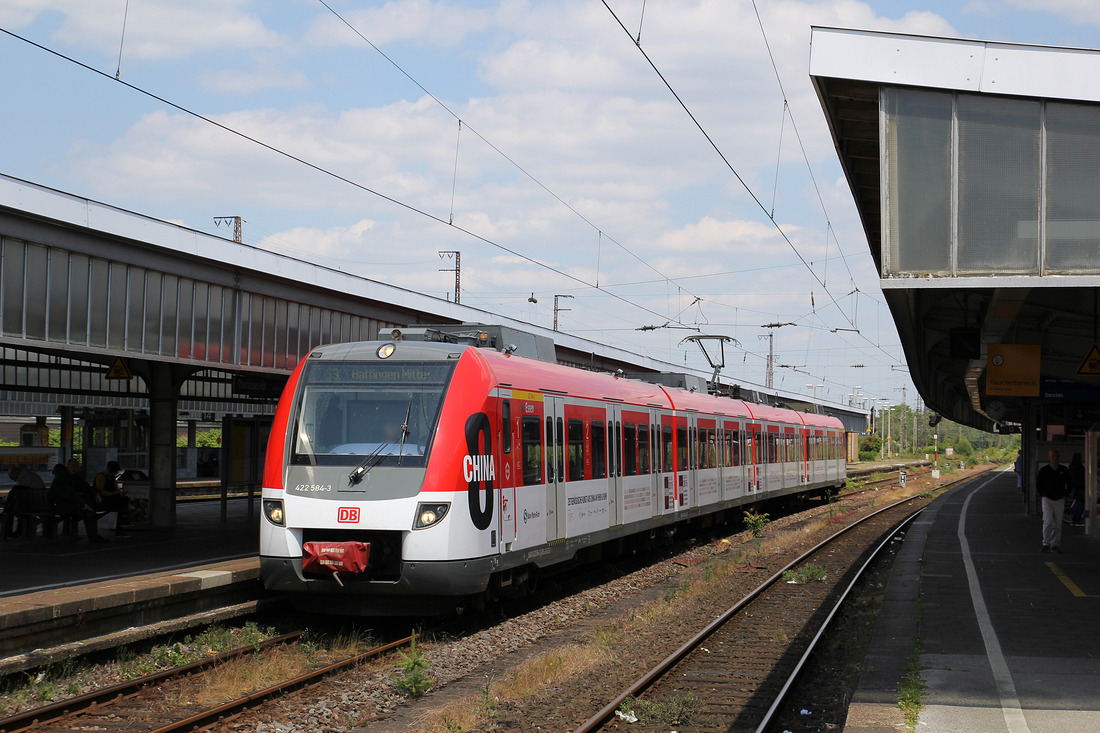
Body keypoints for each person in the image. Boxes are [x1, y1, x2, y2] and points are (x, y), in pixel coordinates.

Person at [48, 462, 107, 543]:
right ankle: (93, 536)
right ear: (67, 466)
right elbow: (69, 494)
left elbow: (85, 487)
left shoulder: (74, 477)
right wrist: (83, 504)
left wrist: (95, 493)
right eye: (73, 466)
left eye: (77, 467)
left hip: (68, 504)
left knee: (89, 511)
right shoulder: (62, 478)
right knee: (88, 512)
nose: (75, 469)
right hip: (59, 505)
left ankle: (93, 536)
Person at [1036, 449, 1071, 553]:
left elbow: (1070, 483)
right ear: (1049, 457)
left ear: (1059, 457)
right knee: (1047, 521)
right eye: (1053, 456)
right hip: (1047, 498)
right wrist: (1042, 494)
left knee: (1058, 523)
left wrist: (1065, 495)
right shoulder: (1044, 470)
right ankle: (1046, 543)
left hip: (1060, 499)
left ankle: (1055, 544)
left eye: (1056, 456)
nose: (1055, 458)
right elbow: (1039, 484)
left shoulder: (1064, 470)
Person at [94, 461, 131, 533]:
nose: (114, 473)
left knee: (124, 499)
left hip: (110, 498)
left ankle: (123, 519)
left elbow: (116, 489)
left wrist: (119, 493)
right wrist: (113, 493)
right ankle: (122, 522)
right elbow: (100, 491)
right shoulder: (101, 476)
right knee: (119, 504)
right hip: (102, 499)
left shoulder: (112, 478)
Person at [1069, 452, 1086, 526]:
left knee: (1077, 504)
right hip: (1081, 487)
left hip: (1075, 487)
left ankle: (1074, 520)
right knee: (1080, 504)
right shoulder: (1080, 467)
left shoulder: (1071, 467)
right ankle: (1077, 520)